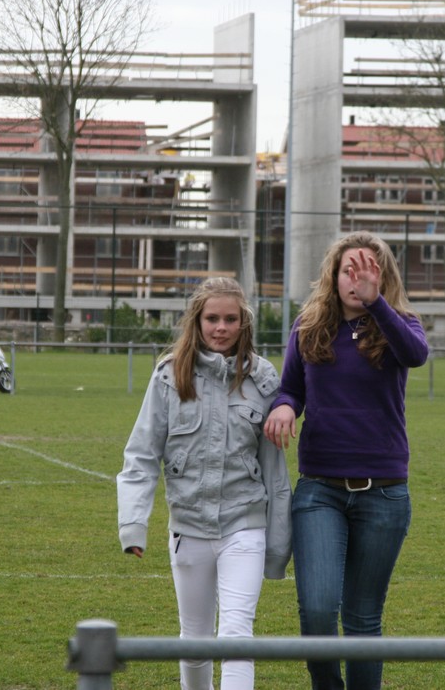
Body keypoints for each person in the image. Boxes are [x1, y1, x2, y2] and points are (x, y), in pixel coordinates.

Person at [263, 231, 428, 689]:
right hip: (320, 491)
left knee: (362, 618)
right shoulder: (309, 325)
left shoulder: (401, 324)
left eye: (368, 270)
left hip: (385, 494)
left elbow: (416, 355)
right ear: (333, 276)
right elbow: (291, 388)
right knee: (317, 610)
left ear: (384, 277)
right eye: (348, 270)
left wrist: (377, 305)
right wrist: (284, 406)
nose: (357, 279)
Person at [117, 277, 292, 690]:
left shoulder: (264, 379)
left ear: (244, 322)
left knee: (236, 636)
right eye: (212, 318)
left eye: (231, 319)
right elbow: (142, 454)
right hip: (188, 527)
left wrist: (278, 545)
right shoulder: (168, 376)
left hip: (245, 525)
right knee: (195, 642)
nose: (221, 328)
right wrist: (133, 524)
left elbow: (275, 473)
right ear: (196, 321)